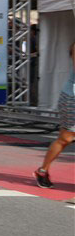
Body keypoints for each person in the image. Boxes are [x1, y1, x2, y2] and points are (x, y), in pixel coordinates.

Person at [35, 42, 75, 188]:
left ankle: (42, 171)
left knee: (65, 138)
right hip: (72, 99)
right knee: (66, 138)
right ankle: (42, 171)